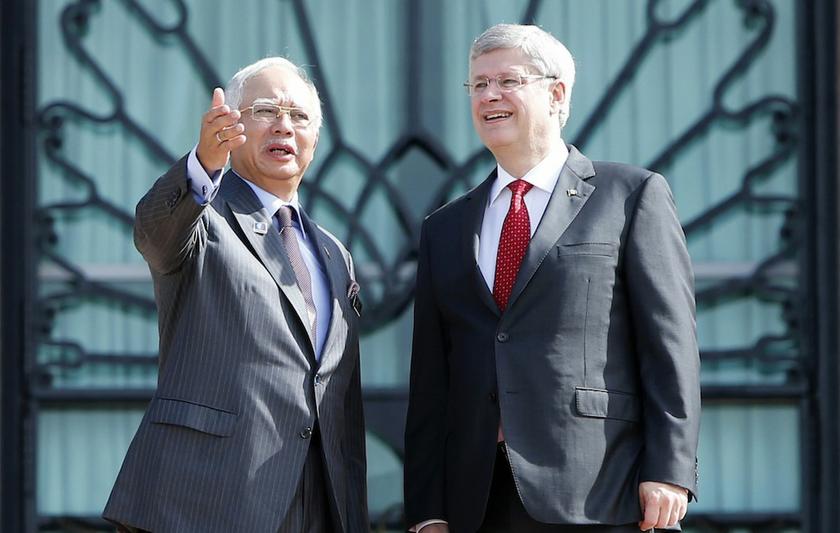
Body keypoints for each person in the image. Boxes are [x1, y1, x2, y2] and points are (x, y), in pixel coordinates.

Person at [404, 24, 700, 533]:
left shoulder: (630, 196)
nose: (489, 95)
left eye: (507, 80)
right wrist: (427, 508)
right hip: (477, 498)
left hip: (603, 489)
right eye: (478, 84)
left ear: (556, 92)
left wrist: (670, 469)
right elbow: (432, 380)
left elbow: (669, 344)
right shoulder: (445, 227)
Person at [103, 57, 368, 533]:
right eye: (266, 110)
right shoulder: (203, 216)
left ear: (316, 139)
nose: (283, 126)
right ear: (233, 124)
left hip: (316, 504)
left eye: (299, 116)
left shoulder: (333, 253)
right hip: (203, 501)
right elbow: (155, 233)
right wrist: (204, 165)